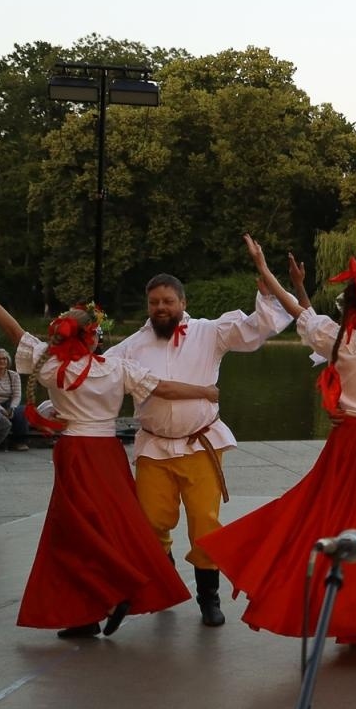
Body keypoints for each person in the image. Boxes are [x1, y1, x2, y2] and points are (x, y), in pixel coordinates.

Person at [199, 238, 356, 665]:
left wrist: (267, 268)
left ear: (350, 305)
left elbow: (299, 312)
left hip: (347, 445)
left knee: (331, 522)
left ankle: (353, 616)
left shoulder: (338, 340)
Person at [0, 264, 206, 639]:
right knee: (115, 526)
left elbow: (12, 331)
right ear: (93, 338)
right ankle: (90, 610)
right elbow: (165, 389)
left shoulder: (51, 367)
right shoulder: (116, 368)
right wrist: (205, 392)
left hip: (74, 452)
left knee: (73, 533)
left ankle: (107, 596)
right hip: (108, 453)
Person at [103, 262, 293, 627]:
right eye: (155, 302)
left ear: (182, 301)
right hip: (154, 449)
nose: (161, 307)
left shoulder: (208, 332)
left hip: (199, 445)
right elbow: (98, 376)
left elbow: (257, 329)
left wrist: (267, 295)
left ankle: (209, 598)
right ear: (147, 305)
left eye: (168, 301)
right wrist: (60, 401)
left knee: (205, 524)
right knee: (152, 523)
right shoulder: (131, 346)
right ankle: (166, 581)